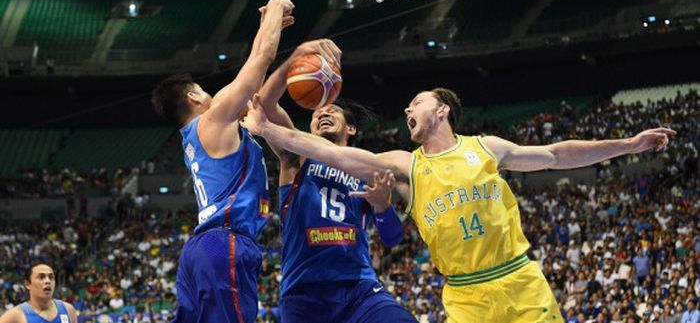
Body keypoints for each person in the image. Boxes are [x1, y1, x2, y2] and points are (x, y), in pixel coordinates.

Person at [242, 87, 676, 322]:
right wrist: (266, 129)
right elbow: (333, 154)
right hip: (466, 296)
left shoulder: (487, 147)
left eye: (415, 102)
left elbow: (558, 155)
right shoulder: (404, 166)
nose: (407, 109)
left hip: (519, 279)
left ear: (443, 110)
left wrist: (627, 145)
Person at [151, 0, 295, 323]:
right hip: (224, 242)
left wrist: (266, 27)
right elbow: (261, 60)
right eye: (204, 89)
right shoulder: (212, 120)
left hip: (201, 249)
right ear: (193, 96)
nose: (211, 94)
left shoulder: (200, 134)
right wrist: (274, 8)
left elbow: (253, 82)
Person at [256, 42, 416, 323]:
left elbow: (392, 238)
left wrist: (381, 205)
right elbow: (264, 104)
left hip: (359, 288)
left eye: (333, 111)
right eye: (317, 113)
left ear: (351, 128)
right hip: (304, 293)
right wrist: (294, 59)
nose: (323, 113)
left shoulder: (367, 168)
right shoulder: (297, 157)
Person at [0, 263, 78, 323]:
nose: (48, 281)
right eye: (41, 277)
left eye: (51, 277)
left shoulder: (68, 310)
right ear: (27, 284)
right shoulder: (15, 315)